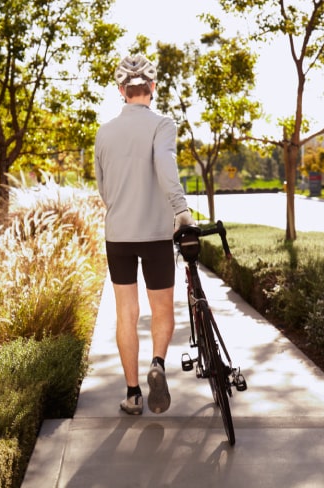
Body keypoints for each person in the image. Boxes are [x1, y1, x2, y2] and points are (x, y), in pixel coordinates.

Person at [94, 54, 195, 415]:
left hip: (118, 234)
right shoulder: (162, 124)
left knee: (127, 313)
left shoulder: (104, 132)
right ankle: (156, 363)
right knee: (161, 308)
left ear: (121, 91)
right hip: (154, 234)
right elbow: (166, 165)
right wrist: (180, 210)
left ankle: (133, 394)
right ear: (152, 87)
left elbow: (103, 188)